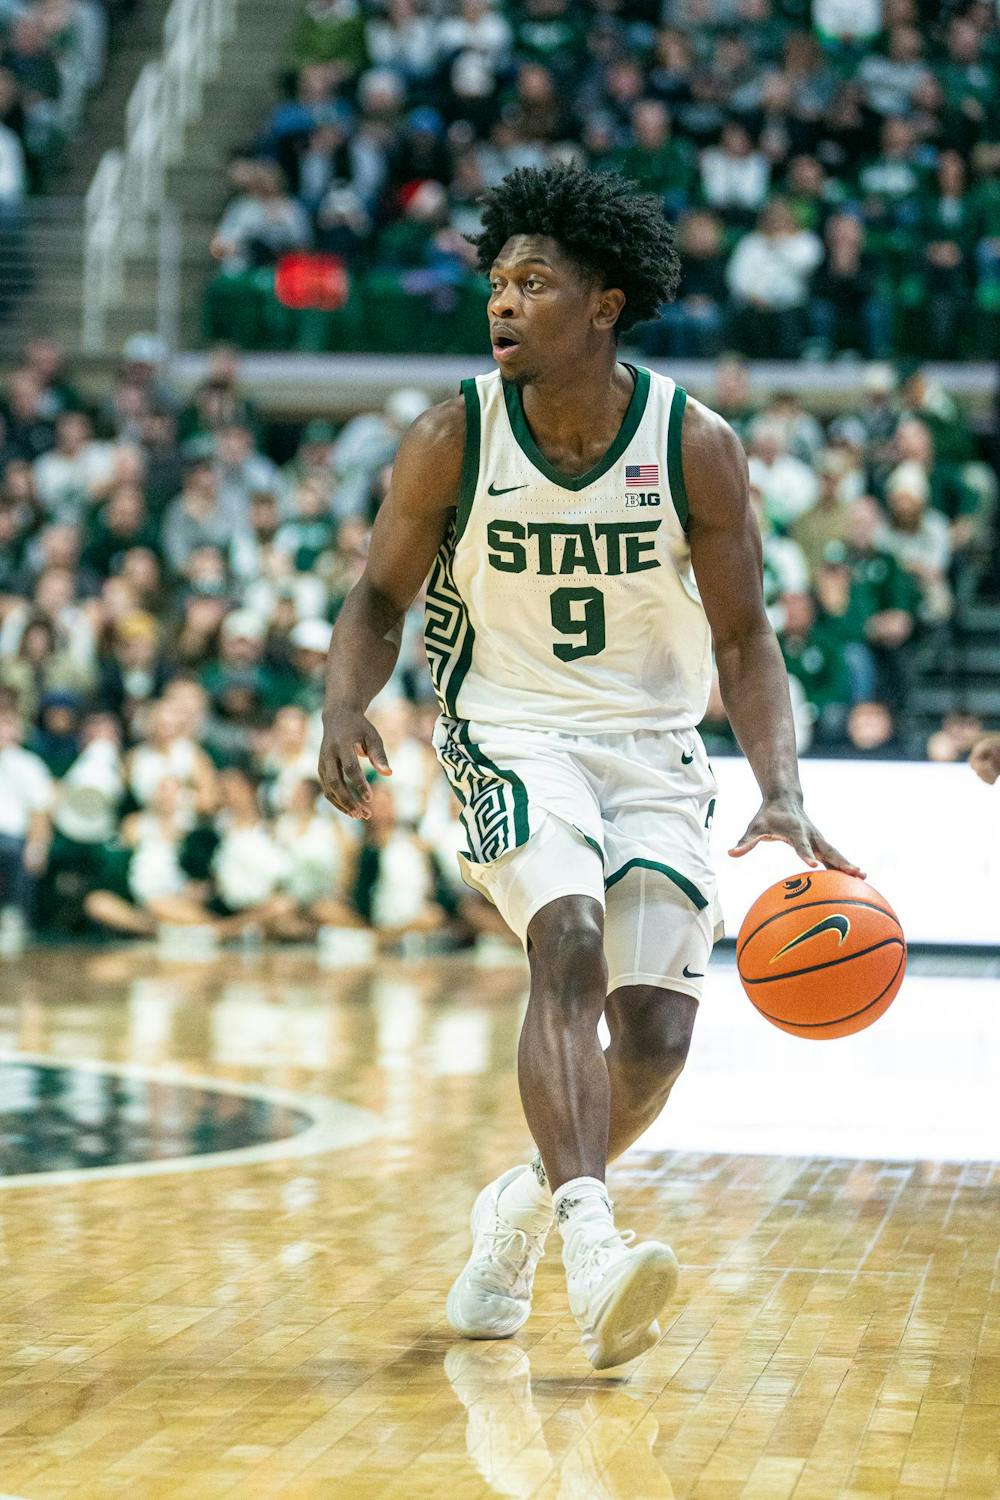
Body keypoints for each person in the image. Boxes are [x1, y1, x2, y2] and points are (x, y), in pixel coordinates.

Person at [318, 165, 859, 1371]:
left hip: (655, 747)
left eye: (534, 284)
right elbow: (375, 594)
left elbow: (744, 637)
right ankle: (588, 1238)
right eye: (497, 283)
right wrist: (344, 704)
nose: (503, 305)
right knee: (564, 939)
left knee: (657, 1039)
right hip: (506, 729)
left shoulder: (693, 444)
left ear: (603, 304)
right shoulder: (453, 433)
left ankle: (515, 1213)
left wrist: (780, 786)